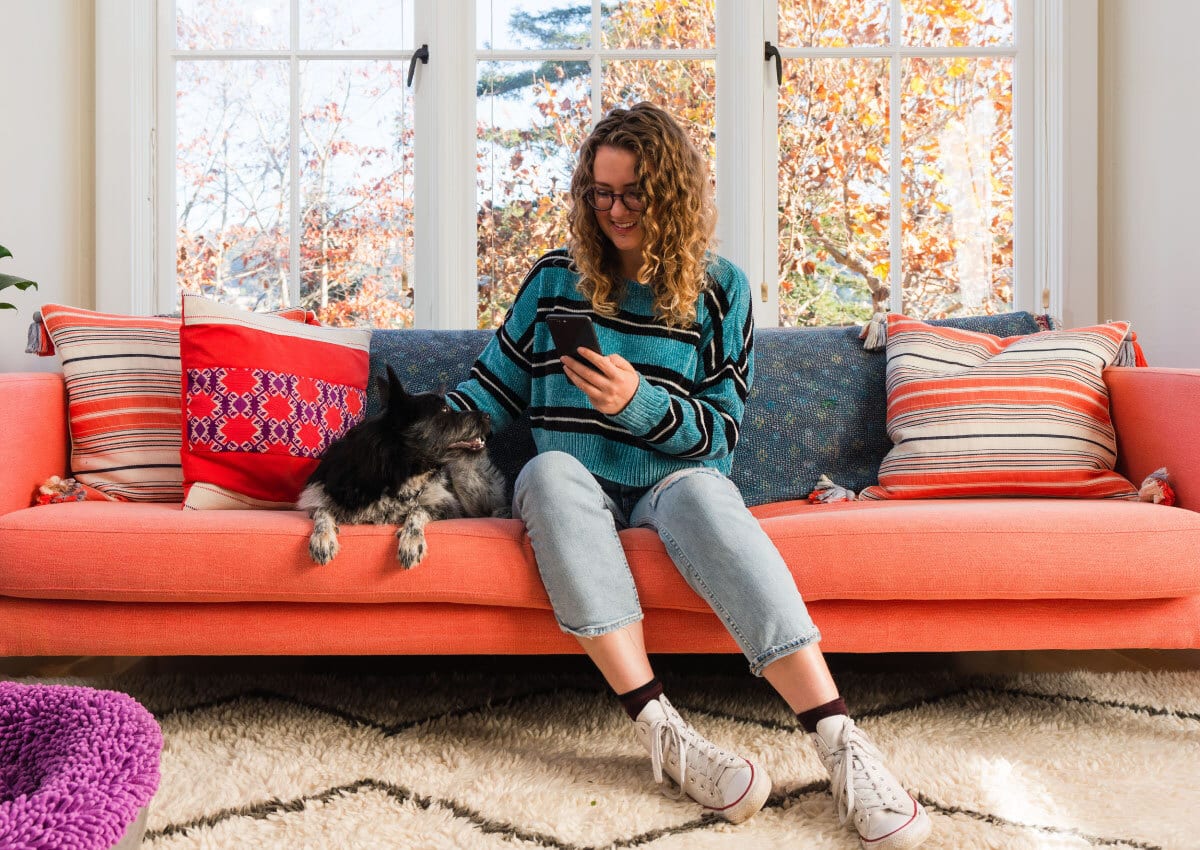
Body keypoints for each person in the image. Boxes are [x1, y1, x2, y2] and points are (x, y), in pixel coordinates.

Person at [447, 102, 931, 850]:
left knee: (707, 491)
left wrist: (635, 403)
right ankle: (664, 731)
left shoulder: (720, 290)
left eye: (631, 193)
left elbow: (721, 435)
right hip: (574, 484)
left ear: (671, 192)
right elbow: (489, 392)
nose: (612, 210)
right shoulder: (554, 280)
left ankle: (839, 741)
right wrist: (400, 432)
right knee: (546, 471)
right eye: (599, 193)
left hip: (672, 483)